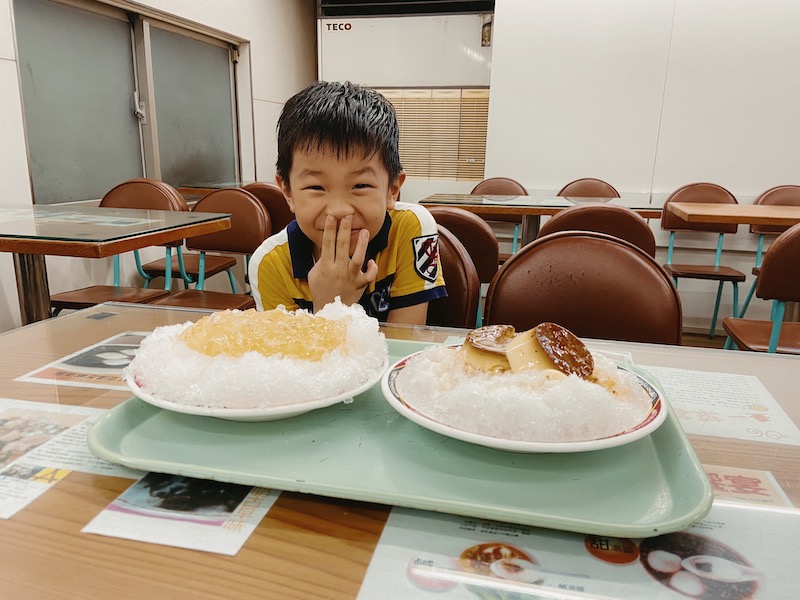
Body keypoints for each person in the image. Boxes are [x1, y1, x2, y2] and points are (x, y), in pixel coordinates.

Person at [248, 81, 446, 325]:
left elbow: (405, 345)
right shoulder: (271, 264)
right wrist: (331, 307)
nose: (339, 210)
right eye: (316, 187)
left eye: (360, 186)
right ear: (288, 192)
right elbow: (294, 361)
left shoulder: (411, 228)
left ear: (392, 189)